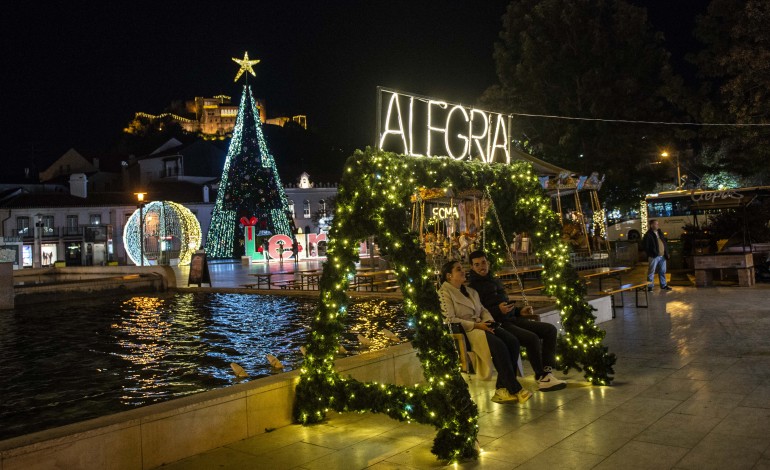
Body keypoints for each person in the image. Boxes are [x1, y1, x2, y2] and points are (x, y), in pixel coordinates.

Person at [467, 250, 566, 391]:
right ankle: (542, 376)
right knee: (531, 338)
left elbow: (505, 303)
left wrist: (520, 311)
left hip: (512, 319)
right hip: (500, 325)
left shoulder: (494, 280)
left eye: (483, 262)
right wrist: (497, 310)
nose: (481, 266)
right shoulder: (473, 289)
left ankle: (547, 371)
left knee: (550, 329)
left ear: (487, 262)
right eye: (477, 265)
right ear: (472, 267)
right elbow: (479, 313)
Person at [438, 260, 533, 404]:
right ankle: (515, 389)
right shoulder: (444, 294)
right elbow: (450, 319)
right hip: (469, 331)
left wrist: (488, 322)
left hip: (484, 325)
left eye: (462, 268)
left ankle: (501, 388)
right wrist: (477, 325)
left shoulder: (470, 291)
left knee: (512, 341)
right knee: (499, 346)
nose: (463, 271)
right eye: (458, 269)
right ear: (449, 275)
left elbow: (483, 310)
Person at [643, 219, 672, 291]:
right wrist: (651, 253)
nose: (657, 225)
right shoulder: (648, 234)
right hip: (654, 256)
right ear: (651, 225)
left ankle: (663, 285)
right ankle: (650, 286)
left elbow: (664, 243)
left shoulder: (660, 232)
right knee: (651, 271)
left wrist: (666, 253)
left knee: (662, 271)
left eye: (657, 224)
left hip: (662, 256)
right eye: (656, 224)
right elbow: (645, 246)